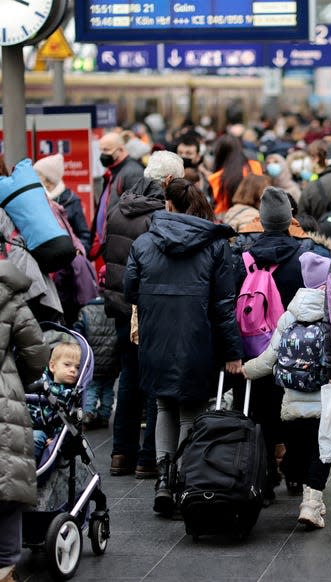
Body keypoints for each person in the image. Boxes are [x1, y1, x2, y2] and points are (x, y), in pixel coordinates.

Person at [125, 178, 243, 516]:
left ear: (168, 205)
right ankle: (183, 478)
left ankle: (163, 477)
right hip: (198, 337)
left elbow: (130, 290)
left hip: (156, 335)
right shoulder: (215, 245)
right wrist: (232, 351)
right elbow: (223, 304)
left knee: (163, 405)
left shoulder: (144, 242)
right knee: (192, 411)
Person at [233, 187, 320, 501]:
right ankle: (297, 474)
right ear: (290, 219)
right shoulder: (307, 253)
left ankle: (264, 478)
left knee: (258, 413)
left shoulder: (241, 255)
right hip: (297, 349)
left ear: (262, 220)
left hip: (254, 348)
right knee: (298, 411)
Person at [243, 253, 331, 529]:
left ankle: (305, 491)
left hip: (292, 405)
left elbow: (269, 359)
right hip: (324, 403)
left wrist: (246, 370)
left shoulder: (289, 316)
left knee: (298, 452)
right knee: (322, 453)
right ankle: (311, 503)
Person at [103, 150, 183, 479]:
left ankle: (121, 453)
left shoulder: (119, 207)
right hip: (150, 307)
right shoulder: (159, 214)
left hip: (121, 303)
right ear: (167, 181)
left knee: (129, 379)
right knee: (153, 381)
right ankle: (148, 458)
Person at [0, 260, 48, 582]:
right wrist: (20, 379)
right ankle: (4, 567)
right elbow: (36, 353)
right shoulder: (10, 295)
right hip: (4, 402)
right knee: (7, 486)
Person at [90, 132, 144, 260]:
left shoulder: (132, 172)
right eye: (101, 150)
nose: (103, 154)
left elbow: (135, 210)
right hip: (111, 241)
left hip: (121, 245)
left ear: (120, 149)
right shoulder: (114, 171)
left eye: (107, 150)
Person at [28, 342, 82, 462]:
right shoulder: (40, 382)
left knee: (36, 438)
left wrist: (56, 438)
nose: (73, 370)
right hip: (27, 426)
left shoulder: (70, 394)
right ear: (52, 367)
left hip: (48, 434)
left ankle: (30, 472)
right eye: (67, 365)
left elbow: (66, 422)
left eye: (77, 367)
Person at [74, 296, 119, 430]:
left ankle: (88, 412)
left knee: (91, 388)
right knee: (107, 389)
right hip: (112, 360)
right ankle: (104, 416)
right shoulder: (114, 311)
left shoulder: (86, 311)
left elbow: (78, 333)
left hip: (93, 360)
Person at [33, 154, 92, 254]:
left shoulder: (71, 201)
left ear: (48, 179)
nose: (34, 178)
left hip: (67, 263)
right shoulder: (37, 199)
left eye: (38, 175)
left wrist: (77, 253)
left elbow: (84, 236)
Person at [208, 134, 263, 216]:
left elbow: (216, 205)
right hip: (255, 216)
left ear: (219, 153)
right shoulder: (256, 166)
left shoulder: (215, 178)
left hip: (226, 219)